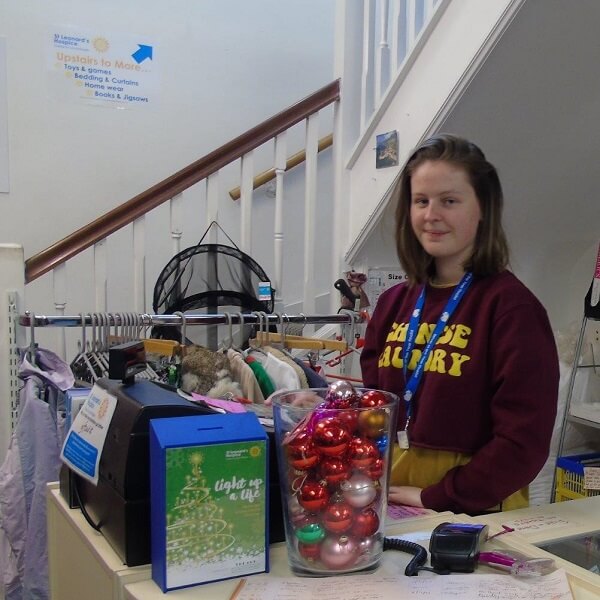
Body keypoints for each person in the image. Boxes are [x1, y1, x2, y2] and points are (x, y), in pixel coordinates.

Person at [360, 134, 559, 515]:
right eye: (421, 201)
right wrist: (320, 409)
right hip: (390, 496)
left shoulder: (511, 308)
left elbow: (524, 442)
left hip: (471, 507)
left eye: (449, 201)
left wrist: (440, 496)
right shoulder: (393, 303)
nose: (431, 215)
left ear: (482, 207)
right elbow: (374, 405)